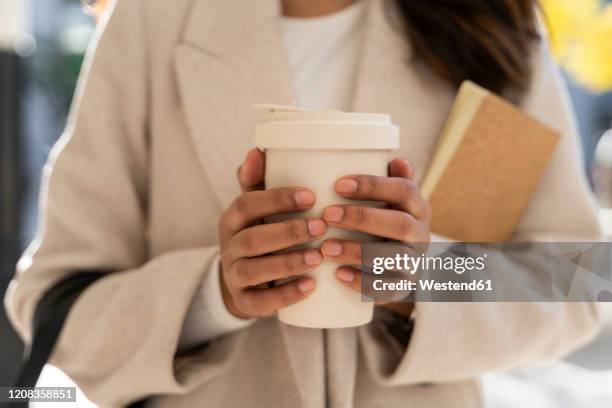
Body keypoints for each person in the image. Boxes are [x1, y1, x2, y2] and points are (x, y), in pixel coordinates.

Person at [4, 0, 602, 407]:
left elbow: (575, 282)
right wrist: (215, 293)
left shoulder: (492, 23)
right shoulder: (153, 18)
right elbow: (55, 305)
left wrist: (425, 280)